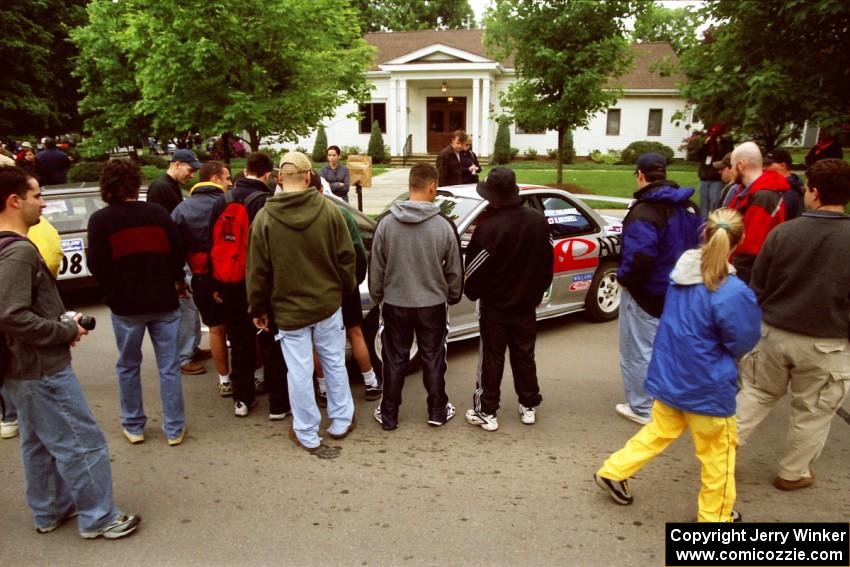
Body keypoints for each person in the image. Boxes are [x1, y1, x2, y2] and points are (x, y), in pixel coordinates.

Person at [0, 166, 140, 538]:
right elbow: (11, 315)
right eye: (37, 196)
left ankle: (49, 511)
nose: (43, 203)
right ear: (15, 201)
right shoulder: (19, 253)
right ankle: (100, 517)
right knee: (82, 441)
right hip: (41, 368)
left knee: (38, 441)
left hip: (19, 367)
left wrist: (62, 320)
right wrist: (63, 330)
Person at [595, 208, 760, 523]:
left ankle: (614, 470)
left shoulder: (680, 274)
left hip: (671, 373)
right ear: (739, 242)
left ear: (704, 233)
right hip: (707, 385)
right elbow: (743, 340)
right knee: (718, 455)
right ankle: (716, 516)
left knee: (659, 430)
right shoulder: (733, 291)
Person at [736, 158, 850, 491]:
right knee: (813, 411)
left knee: (755, 395)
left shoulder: (783, 233)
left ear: (814, 191)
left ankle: (720, 454)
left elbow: (758, 285)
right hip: (827, 342)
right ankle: (793, 472)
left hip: (774, 332)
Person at [248, 151, 356, 453]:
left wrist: (257, 308)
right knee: (334, 363)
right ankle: (341, 419)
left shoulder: (265, 218)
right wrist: (343, 289)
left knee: (298, 371)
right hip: (326, 304)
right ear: (309, 176)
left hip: (288, 309)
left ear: (280, 178)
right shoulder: (329, 210)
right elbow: (347, 257)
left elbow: (257, 269)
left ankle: (307, 431)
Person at [87, 159, 188, 446]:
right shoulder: (157, 214)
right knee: (169, 367)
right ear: (136, 183)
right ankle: (174, 427)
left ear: (106, 187)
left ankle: (134, 425)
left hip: (126, 304)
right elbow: (177, 254)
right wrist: (172, 278)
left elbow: (98, 265)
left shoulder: (100, 221)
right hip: (164, 300)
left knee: (128, 366)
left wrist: (113, 289)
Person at [369, 163, 463, 430]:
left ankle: (389, 415)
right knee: (433, 356)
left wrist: (378, 296)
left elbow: (376, 266)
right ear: (432, 187)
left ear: (410, 186)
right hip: (432, 303)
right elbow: (455, 269)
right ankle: (437, 410)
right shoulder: (444, 226)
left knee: (394, 357)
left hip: (396, 302)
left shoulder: (385, 223)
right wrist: (453, 295)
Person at [463, 168, 553, 431]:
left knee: (492, 357)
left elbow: (474, 272)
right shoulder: (538, 221)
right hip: (526, 304)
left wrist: (472, 293)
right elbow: (547, 263)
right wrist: (537, 293)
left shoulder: (488, 228)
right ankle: (528, 405)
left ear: (493, 197)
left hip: (495, 307)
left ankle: (487, 411)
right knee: (525, 354)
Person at [615, 152, 702, 425]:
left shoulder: (644, 211)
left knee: (638, 350)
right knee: (669, 348)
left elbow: (640, 256)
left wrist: (624, 279)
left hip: (647, 293)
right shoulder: (690, 208)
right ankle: (667, 399)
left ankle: (641, 407)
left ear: (640, 175)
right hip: (681, 290)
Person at [210, 152, 277, 418]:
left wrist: (216, 282)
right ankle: (275, 399)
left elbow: (212, 242)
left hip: (230, 280)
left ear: (245, 170)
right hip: (259, 281)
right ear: (267, 174)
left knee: (238, 340)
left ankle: (242, 397)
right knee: (269, 339)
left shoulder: (222, 200)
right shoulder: (265, 202)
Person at [171, 161, 234, 397]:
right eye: (226, 178)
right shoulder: (230, 204)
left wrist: (179, 279)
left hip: (201, 277)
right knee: (239, 328)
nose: (229, 183)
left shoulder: (181, 209)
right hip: (231, 275)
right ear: (216, 179)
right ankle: (252, 376)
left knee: (216, 330)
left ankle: (224, 379)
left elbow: (174, 249)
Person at [147, 148, 208, 375]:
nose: (191, 175)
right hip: (176, 255)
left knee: (192, 305)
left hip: (183, 253)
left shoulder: (170, 187)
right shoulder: (161, 188)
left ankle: (191, 346)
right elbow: (162, 227)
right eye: (189, 170)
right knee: (187, 306)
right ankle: (184, 357)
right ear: (177, 164)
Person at [725, 142, 789, 284]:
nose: (730, 170)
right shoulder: (747, 191)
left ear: (740, 165)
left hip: (745, 276)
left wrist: (733, 281)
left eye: (731, 165)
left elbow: (750, 249)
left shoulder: (763, 196)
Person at [696, 124, 733, 217]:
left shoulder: (726, 145)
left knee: (715, 202)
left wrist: (719, 144)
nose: (712, 137)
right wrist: (705, 145)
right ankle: (703, 223)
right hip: (704, 176)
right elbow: (697, 156)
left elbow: (726, 158)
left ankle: (714, 222)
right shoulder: (706, 143)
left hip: (717, 178)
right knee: (703, 204)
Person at [763, 148, 804, 219]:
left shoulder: (788, 192)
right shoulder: (792, 185)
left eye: (768, 165)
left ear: (782, 166)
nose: (763, 168)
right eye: (763, 165)